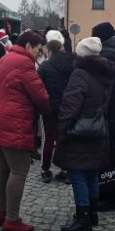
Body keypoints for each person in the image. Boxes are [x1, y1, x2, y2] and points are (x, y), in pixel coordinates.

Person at [0, 31, 50, 231]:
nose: (38, 54)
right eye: (38, 49)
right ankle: (12, 219)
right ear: (29, 45)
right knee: (19, 170)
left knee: (1, 167)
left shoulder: (6, 58)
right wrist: (49, 110)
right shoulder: (24, 63)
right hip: (12, 121)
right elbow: (40, 96)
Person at [54, 37, 115, 231]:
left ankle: (83, 219)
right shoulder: (106, 72)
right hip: (99, 129)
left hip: (79, 132)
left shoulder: (80, 74)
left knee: (78, 174)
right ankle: (92, 213)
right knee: (91, 172)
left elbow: (69, 107)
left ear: (81, 54)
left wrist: (61, 130)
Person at [91, 22, 115, 211]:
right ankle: (108, 194)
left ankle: (112, 198)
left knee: (109, 157)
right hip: (112, 112)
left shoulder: (107, 54)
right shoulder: (113, 49)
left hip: (109, 114)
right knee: (109, 155)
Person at [37, 31, 74, 183]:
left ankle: (46, 169)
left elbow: (38, 88)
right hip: (67, 106)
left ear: (50, 51)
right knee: (64, 137)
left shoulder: (45, 67)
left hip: (50, 107)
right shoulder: (72, 63)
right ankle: (65, 169)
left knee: (48, 138)